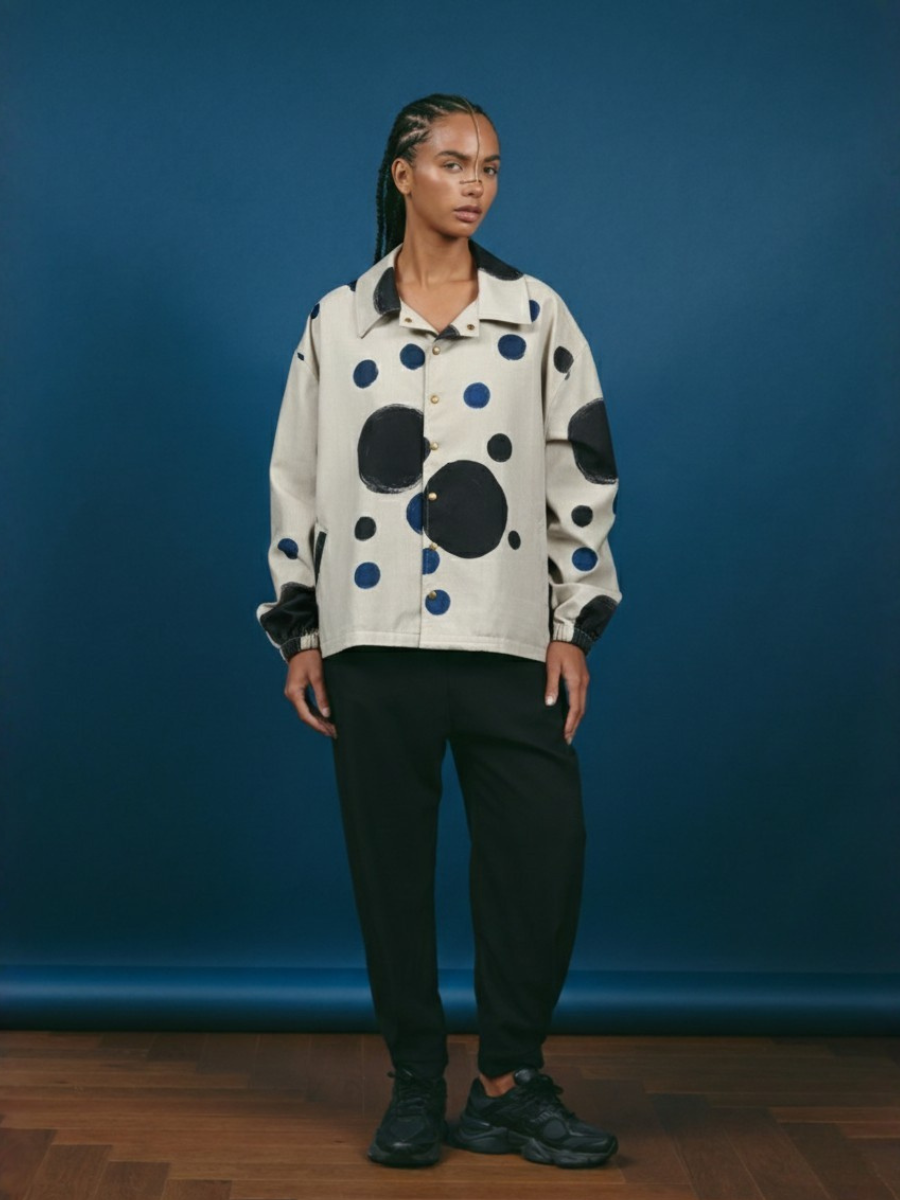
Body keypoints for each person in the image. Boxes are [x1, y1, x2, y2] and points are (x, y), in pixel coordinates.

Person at [256, 93, 623, 1170]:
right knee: (391, 872)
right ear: (402, 172)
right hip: (371, 639)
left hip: (507, 636)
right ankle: (416, 1081)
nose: (477, 184)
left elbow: (581, 469)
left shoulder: (536, 313)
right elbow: (295, 478)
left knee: (542, 852)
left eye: (492, 167)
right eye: (455, 162)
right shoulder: (337, 321)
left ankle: (508, 1082)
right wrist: (299, 631)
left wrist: (573, 622)